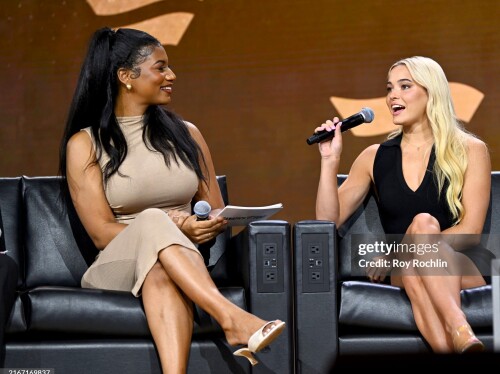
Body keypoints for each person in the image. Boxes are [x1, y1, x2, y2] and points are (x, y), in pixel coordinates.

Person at [58, 27, 284, 372]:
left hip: (183, 258)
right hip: (116, 265)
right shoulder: (86, 144)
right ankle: (231, 318)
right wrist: (168, 228)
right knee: (153, 220)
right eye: (160, 67)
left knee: (161, 269)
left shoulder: (187, 134)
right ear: (126, 77)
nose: (171, 75)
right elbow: (101, 233)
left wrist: (206, 226)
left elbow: (215, 207)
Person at [314, 56, 492, 354]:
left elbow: (470, 230)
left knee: (418, 248)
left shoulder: (470, 150)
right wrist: (329, 162)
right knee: (418, 240)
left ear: (431, 92)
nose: (392, 96)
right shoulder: (374, 156)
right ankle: (460, 329)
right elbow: (325, 223)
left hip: (458, 265)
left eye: (404, 86)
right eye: (389, 88)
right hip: (405, 269)